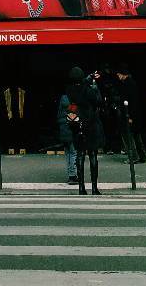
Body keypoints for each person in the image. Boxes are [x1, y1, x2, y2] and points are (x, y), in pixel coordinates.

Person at [61, 66, 104, 195]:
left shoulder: (69, 90)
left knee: (79, 155)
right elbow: (98, 102)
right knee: (92, 155)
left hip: (77, 126)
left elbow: (80, 86)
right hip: (90, 125)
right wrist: (96, 88)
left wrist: (88, 78)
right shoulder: (89, 90)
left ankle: (81, 187)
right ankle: (94, 188)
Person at [116, 66, 146, 162]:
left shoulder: (128, 84)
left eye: (119, 74)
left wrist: (130, 116)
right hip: (134, 114)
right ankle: (142, 155)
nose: (118, 76)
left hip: (129, 115)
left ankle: (134, 156)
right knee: (137, 135)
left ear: (123, 74)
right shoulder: (131, 83)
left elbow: (133, 102)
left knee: (128, 136)